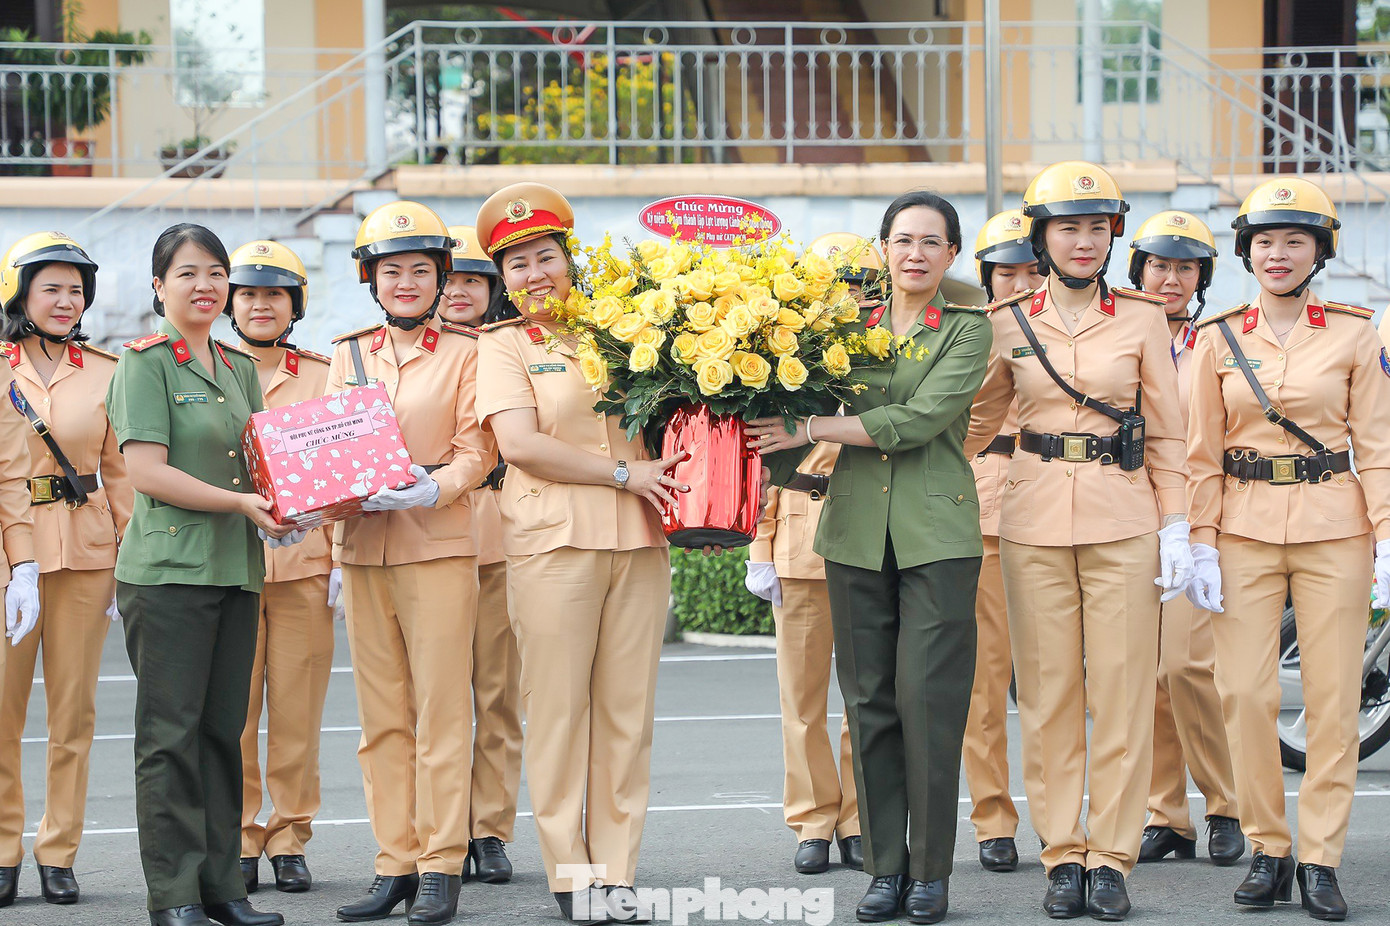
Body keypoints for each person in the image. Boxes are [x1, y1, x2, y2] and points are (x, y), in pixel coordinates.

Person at [749, 190, 993, 925]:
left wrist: (810, 425)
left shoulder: (968, 330)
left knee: (929, 705)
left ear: (952, 254)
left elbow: (921, 421)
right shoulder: (838, 329)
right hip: (853, 532)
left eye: (931, 241)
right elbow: (787, 414)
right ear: (883, 250)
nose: (915, 252)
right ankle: (885, 868)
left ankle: (930, 874)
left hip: (937, 539)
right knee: (871, 705)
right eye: (902, 239)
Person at [966, 161, 1192, 921]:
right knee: (1050, 692)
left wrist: (1177, 528)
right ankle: (1063, 851)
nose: (1086, 240)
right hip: (1029, 519)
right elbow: (974, 425)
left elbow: (1166, 432)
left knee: (1124, 692)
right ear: (1042, 235)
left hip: (1123, 517)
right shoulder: (1006, 322)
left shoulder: (1141, 318)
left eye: (1098, 227)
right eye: (1069, 226)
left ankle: (1113, 858)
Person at [474, 182, 685, 924]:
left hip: (638, 537)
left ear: (571, 258)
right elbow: (522, 445)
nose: (536, 275)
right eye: (518, 265)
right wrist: (625, 473)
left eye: (546, 257)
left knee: (627, 712)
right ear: (503, 281)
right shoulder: (502, 347)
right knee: (558, 710)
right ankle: (571, 871)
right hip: (552, 541)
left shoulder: (624, 328)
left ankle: (617, 866)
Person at [1185, 177, 1390, 921]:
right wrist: (1199, 540)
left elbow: (1379, 443)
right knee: (1242, 692)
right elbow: (1201, 455)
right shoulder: (1218, 337)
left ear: (1319, 251)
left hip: (1335, 526)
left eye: (1294, 241)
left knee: (1334, 701)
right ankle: (1269, 846)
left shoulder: (1356, 333)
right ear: (1246, 250)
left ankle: (1320, 856)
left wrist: (1389, 536)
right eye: (1265, 241)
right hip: (1241, 527)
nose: (1278, 254)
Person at [105, 223, 294, 926]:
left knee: (222, 733)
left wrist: (299, 500)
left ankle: (223, 890)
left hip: (235, 569)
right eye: (187, 273)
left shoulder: (241, 368)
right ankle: (176, 894)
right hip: (168, 574)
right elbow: (148, 473)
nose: (206, 286)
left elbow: (264, 464)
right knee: (169, 738)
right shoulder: (144, 364)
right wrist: (244, 503)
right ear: (159, 288)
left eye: (216, 273)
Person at [328, 201, 495, 926]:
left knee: (441, 711)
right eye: (390, 270)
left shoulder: (468, 351)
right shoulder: (349, 352)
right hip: (364, 547)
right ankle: (393, 861)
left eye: (418, 270)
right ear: (370, 278)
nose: (404, 282)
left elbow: (477, 449)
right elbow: (325, 445)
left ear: (440, 278)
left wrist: (439, 485)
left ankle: (440, 863)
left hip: (437, 543)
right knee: (381, 718)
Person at [742, 233, 874, 877]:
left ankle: (858, 818)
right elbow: (767, 465)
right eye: (836, 286)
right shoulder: (785, 363)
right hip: (799, 536)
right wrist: (760, 546)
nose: (849, 299)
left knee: (866, 695)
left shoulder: (886, 359)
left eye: (859, 286)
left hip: (872, 534)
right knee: (802, 697)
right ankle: (813, 819)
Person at [1125, 212, 1245, 868]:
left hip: (1194, 521)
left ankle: (1225, 803)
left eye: (1185, 268)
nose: (1170, 279)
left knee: (1187, 667)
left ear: (1202, 277)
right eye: (1159, 266)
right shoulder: (1118, 331)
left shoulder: (1216, 344)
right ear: (1138, 268)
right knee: (1142, 676)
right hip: (1123, 518)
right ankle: (1164, 814)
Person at [223, 240, 338, 896]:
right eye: (248, 294)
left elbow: (345, 465)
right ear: (230, 303)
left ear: (294, 304)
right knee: (234, 713)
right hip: (228, 563)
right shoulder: (206, 372)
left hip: (304, 564)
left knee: (297, 710)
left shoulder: (324, 375)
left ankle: (291, 836)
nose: (261, 304)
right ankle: (239, 835)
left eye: (274, 294)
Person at [0, 233, 103, 906]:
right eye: (52, 289)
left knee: (74, 712)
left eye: (76, 290)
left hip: (89, 555)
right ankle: (3, 847)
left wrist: (125, 558)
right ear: (21, 295)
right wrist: (22, 565)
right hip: (13, 564)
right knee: (3, 714)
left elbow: (120, 473)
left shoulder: (107, 369)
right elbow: (8, 476)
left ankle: (58, 849)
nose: (66, 302)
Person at [439, 225, 521, 884]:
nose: (460, 290)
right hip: (428, 535)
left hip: (503, 532)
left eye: (474, 279)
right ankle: (436, 826)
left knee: (496, 693)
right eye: (452, 277)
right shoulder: (399, 347)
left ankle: (489, 828)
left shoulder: (512, 344)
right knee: (431, 700)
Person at [964, 209, 1044, 874]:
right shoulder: (966, 334)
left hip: (1058, 507)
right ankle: (993, 816)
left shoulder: (1074, 326)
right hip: (982, 510)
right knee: (985, 684)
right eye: (1005, 271)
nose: (1017, 282)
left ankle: (1063, 816)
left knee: (1055, 685)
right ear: (985, 276)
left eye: (1030, 270)